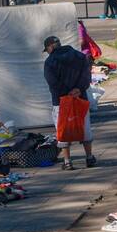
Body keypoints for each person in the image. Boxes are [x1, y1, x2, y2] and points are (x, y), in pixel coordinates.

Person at [43, 35, 97, 170]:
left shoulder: (50, 62)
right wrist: (78, 89)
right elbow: (87, 75)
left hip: (60, 101)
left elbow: (53, 82)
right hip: (81, 98)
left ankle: (67, 162)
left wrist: (67, 92)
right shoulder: (79, 56)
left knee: (63, 130)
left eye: (47, 49)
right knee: (84, 128)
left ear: (50, 47)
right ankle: (89, 157)